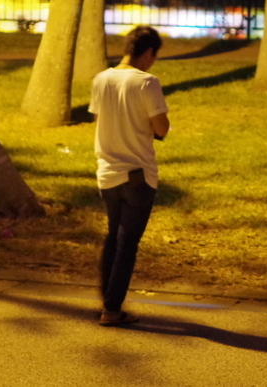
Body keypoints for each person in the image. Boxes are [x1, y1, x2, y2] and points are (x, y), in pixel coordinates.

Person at [88, 25, 170, 327]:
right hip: (138, 173)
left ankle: (106, 300)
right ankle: (111, 308)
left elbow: (98, 118)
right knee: (127, 243)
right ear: (148, 53)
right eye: (154, 56)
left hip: (107, 172)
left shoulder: (101, 79)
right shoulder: (147, 83)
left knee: (113, 237)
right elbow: (161, 128)